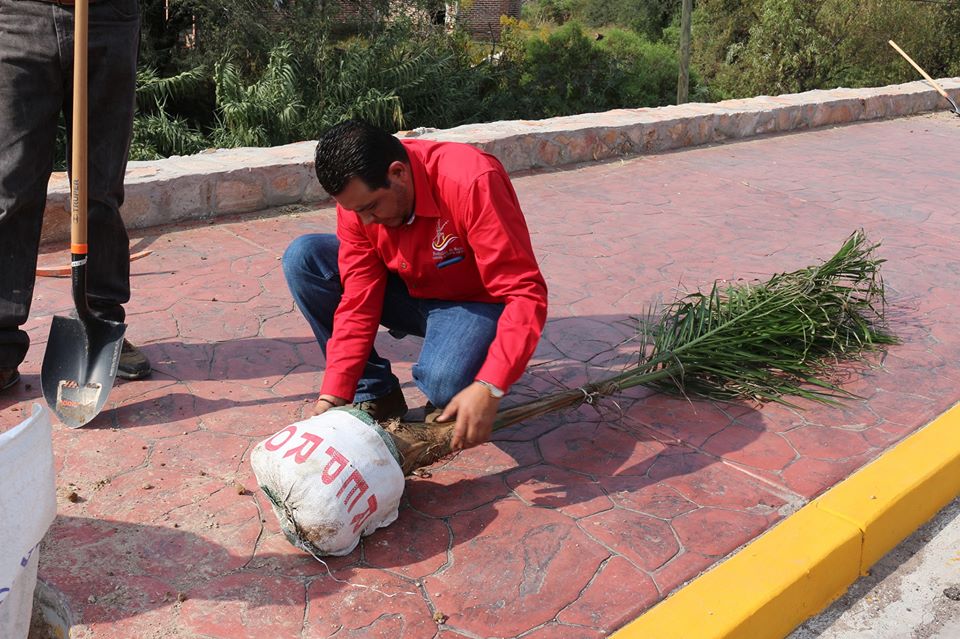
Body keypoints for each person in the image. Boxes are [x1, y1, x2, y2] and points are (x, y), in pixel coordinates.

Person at [283, 120, 548, 450]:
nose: (365, 221)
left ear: (398, 173)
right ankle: (377, 395)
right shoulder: (358, 203)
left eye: (370, 208)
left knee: (444, 384)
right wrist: (334, 394)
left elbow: (524, 292)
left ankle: (470, 363)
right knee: (304, 258)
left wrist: (490, 385)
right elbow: (358, 299)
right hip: (408, 288)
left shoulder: (471, 180)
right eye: (355, 211)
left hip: (471, 301)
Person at [0, 0, 151, 393]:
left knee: (99, 189)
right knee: (9, 188)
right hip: (19, 14)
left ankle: (99, 324)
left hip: (108, 15)